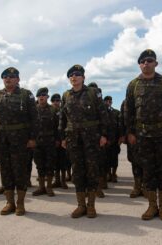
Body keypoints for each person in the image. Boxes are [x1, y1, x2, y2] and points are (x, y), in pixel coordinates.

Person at [125, 49, 162, 220]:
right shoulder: (133, 85)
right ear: (139, 65)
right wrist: (130, 132)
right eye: (142, 61)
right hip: (143, 135)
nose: (146, 64)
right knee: (148, 171)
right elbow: (129, 112)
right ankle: (151, 206)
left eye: (149, 60)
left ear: (156, 63)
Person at [0, 67, 38, 216]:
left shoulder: (26, 95)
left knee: (19, 171)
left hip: (20, 139)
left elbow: (34, 118)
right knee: (5, 170)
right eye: (5, 77)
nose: (8, 79)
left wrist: (33, 138)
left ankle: (20, 203)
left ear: (18, 80)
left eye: (11, 77)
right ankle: (10, 202)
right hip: (1, 139)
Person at [59, 64, 108, 218]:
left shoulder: (93, 93)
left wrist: (104, 135)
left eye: (77, 75)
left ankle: (91, 206)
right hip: (73, 139)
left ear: (83, 77)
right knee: (78, 171)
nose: (74, 77)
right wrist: (62, 137)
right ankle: (81, 205)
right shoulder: (66, 95)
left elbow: (103, 116)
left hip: (91, 138)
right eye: (71, 75)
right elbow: (62, 118)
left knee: (92, 170)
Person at [32, 87, 59, 197]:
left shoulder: (53, 110)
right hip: (37, 142)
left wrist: (58, 139)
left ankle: (49, 187)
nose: (42, 97)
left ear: (47, 97)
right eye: (40, 96)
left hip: (50, 141)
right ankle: (41, 187)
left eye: (44, 95)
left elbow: (58, 127)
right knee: (39, 165)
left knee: (50, 164)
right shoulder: (33, 110)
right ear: (37, 97)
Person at [50, 93, 69, 189]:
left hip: (62, 140)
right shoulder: (49, 111)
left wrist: (62, 139)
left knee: (63, 162)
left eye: (58, 101)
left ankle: (63, 181)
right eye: (54, 101)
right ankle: (56, 180)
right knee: (55, 162)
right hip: (52, 141)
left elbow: (65, 126)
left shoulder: (63, 111)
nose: (56, 102)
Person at [103, 96, 120, 183]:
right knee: (106, 159)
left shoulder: (116, 112)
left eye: (110, 101)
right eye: (106, 101)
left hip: (115, 140)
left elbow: (120, 126)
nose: (108, 102)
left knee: (114, 159)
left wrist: (120, 138)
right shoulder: (102, 112)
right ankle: (108, 174)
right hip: (105, 140)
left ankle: (113, 174)